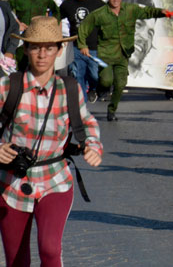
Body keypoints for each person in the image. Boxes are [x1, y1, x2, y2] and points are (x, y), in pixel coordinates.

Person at [0, 16, 102, 266]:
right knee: (16, 259)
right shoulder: (7, 87)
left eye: (49, 47)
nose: (42, 54)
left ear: (59, 50)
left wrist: (92, 145)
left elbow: (86, 122)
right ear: (26, 50)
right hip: (11, 184)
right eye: (35, 47)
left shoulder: (69, 88)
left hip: (55, 180)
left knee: (49, 249)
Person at [77, 0, 165, 122]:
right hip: (106, 54)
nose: (116, 0)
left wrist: (163, 12)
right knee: (106, 80)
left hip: (123, 55)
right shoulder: (99, 14)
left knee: (120, 84)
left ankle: (112, 110)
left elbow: (148, 12)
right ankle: (100, 89)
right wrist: (82, 45)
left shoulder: (131, 9)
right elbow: (83, 27)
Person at [59, 0, 105, 103]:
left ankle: (93, 89)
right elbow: (56, 18)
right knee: (77, 75)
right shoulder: (67, 4)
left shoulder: (98, 4)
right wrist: (59, 38)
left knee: (94, 75)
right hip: (75, 46)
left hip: (94, 46)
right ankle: (82, 105)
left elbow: (106, 22)